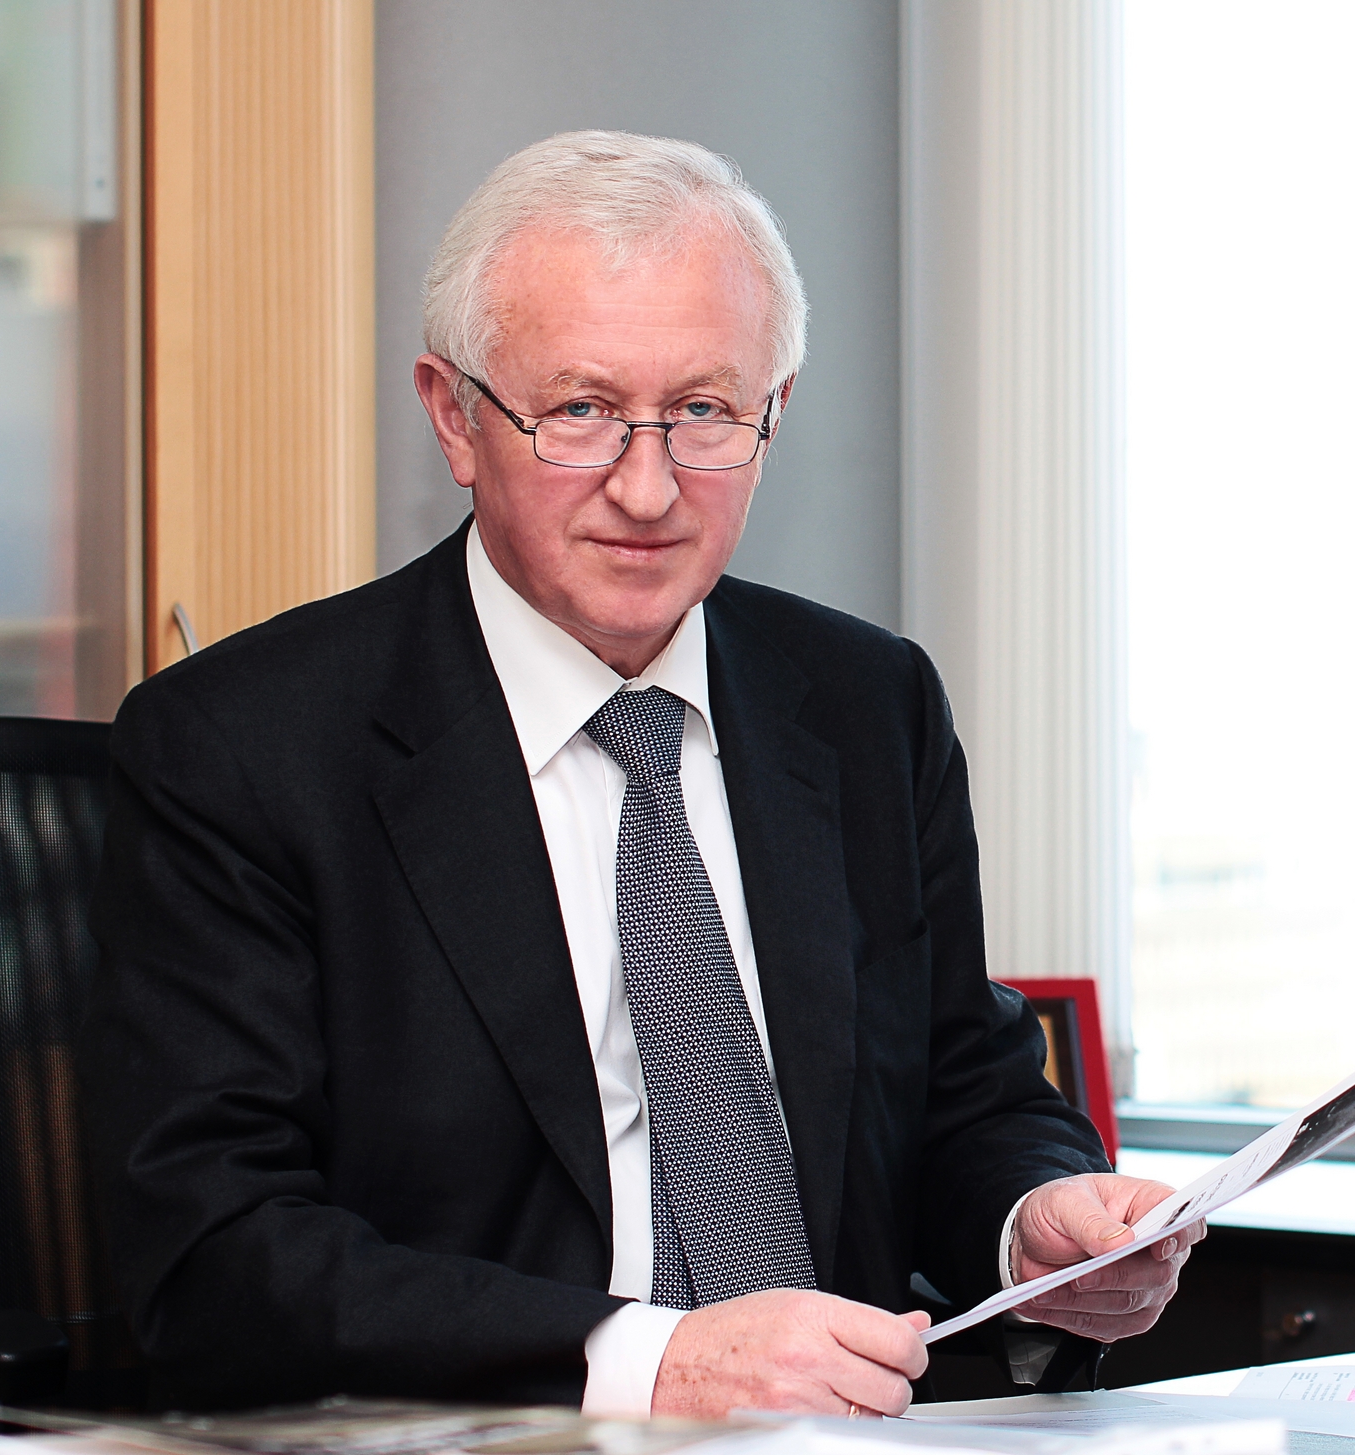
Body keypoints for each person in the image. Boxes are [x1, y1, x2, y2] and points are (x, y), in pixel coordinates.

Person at [82, 131, 1200, 1419]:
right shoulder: (245, 748)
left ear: (774, 415)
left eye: (707, 412)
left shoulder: (867, 706)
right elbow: (212, 1253)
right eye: (581, 411)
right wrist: (652, 1365)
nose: (649, 487)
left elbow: (961, 1090)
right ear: (453, 416)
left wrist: (1032, 1221)